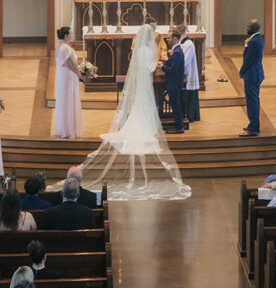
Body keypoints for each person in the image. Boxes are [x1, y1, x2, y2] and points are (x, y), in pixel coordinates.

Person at [78, 23, 191, 200]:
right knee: (146, 102)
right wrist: (158, 65)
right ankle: (145, 126)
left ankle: (140, 123)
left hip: (141, 83)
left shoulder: (139, 50)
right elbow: (149, 68)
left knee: (142, 103)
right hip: (146, 81)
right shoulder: (147, 50)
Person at [239, 18, 265, 136]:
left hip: (252, 74)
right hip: (256, 73)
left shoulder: (253, 41)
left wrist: (241, 71)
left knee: (252, 101)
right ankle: (253, 124)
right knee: (253, 100)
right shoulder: (257, 38)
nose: (246, 28)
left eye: (248, 27)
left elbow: (248, 60)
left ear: (253, 28)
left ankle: (253, 127)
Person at [161, 33, 185, 133]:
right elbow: (171, 62)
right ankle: (177, 126)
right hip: (174, 82)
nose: (167, 39)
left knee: (176, 105)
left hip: (174, 83)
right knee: (175, 104)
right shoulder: (176, 50)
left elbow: (173, 69)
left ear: (175, 39)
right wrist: (164, 63)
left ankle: (179, 127)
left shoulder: (177, 52)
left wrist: (162, 67)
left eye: (169, 37)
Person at [178, 25, 200, 123]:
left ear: (183, 34)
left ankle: (191, 116)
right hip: (184, 72)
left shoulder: (189, 44)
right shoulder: (182, 42)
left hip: (189, 73)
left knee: (190, 94)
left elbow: (186, 61)